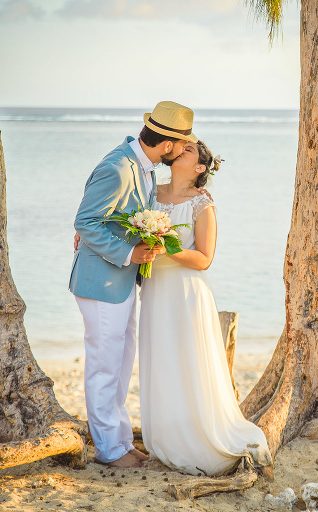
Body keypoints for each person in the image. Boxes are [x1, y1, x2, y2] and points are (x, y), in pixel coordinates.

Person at [69, 101, 197, 469]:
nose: (182, 151)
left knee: (121, 364)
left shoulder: (143, 167)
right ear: (168, 144)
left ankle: (121, 441)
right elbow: (86, 220)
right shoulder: (118, 167)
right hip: (102, 282)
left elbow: (104, 217)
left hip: (122, 284)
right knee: (104, 367)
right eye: (182, 145)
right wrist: (128, 252)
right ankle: (108, 451)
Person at [138, 139, 273, 476]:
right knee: (162, 361)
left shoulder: (203, 204)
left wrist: (166, 247)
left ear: (200, 168)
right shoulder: (151, 190)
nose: (179, 152)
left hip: (186, 293)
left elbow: (204, 259)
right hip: (156, 290)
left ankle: (198, 438)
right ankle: (167, 438)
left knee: (189, 363)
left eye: (187, 151)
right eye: (179, 148)